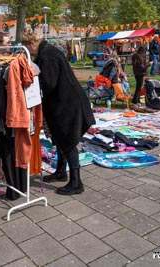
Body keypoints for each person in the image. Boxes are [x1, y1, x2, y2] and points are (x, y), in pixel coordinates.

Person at [21, 28, 95, 195]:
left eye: (26, 45)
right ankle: (61, 172)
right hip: (64, 103)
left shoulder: (47, 56)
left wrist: (29, 89)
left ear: (32, 43)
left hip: (67, 105)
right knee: (61, 140)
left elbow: (48, 84)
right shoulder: (47, 53)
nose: (27, 50)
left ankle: (76, 183)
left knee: (68, 142)